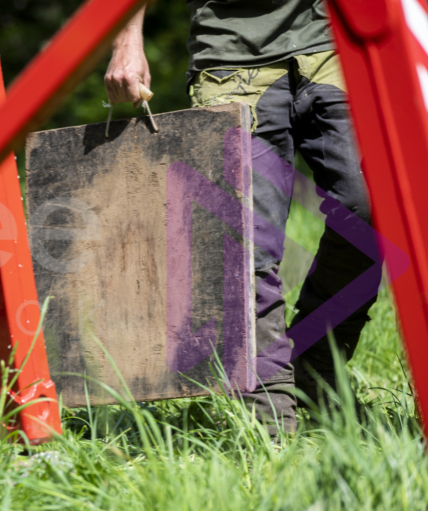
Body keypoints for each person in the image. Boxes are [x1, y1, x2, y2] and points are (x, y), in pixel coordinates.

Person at [105, 0, 381, 433]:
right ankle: (270, 418)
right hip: (231, 55)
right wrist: (126, 40)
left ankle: (316, 362)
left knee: (377, 209)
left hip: (339, 41)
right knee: (245, 241)